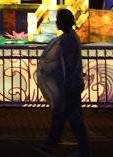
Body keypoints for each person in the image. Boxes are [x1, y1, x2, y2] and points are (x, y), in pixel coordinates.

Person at [34, 9, 90, 156]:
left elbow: (67, 64)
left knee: (69, 117)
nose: (56, 23)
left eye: (58, 20)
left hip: (69, 85)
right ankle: (51, 145)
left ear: (64, 22)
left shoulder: (67, 39)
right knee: (64, 116)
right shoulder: (71, 37)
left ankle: (80, 149)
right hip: (72, 83)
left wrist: (64, 82)